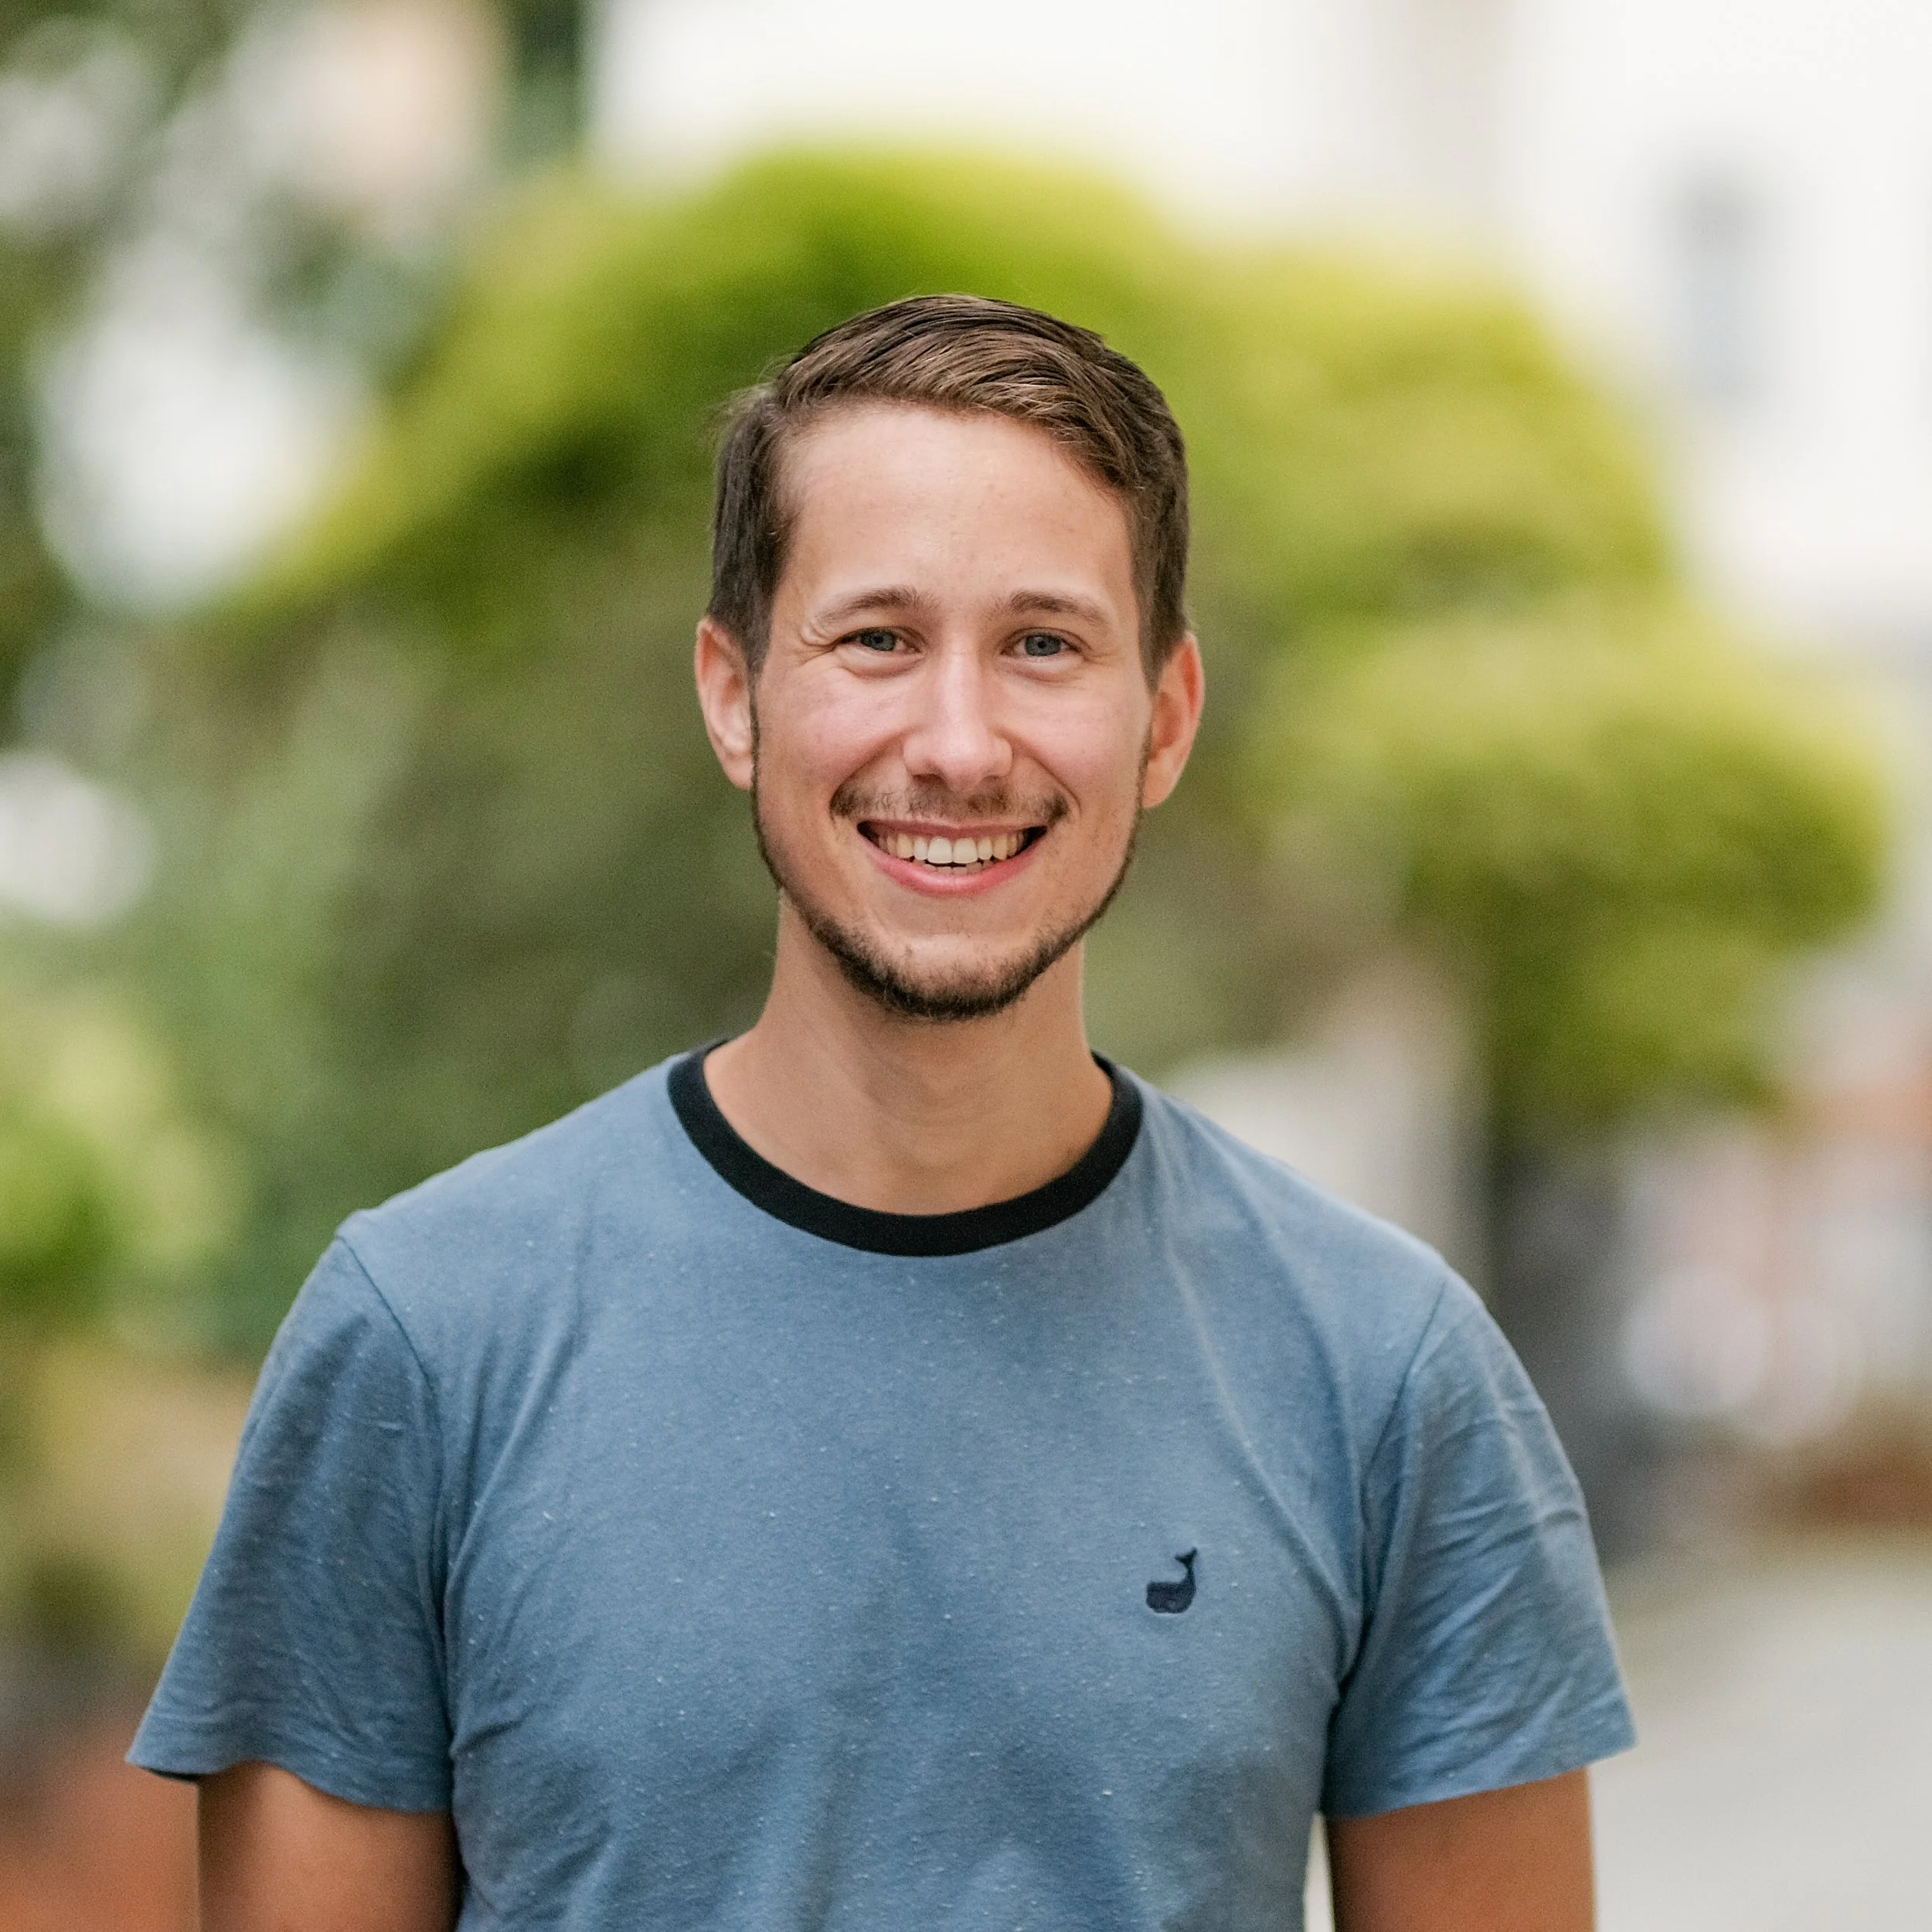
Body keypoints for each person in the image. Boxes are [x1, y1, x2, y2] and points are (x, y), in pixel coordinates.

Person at [133, 294, 1634, 1931]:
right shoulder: (422, 1338)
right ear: (732, 694)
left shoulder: (1383, 1372)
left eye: (1044, 644)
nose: (958, 741)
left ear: (1167, 718)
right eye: (875, 638)